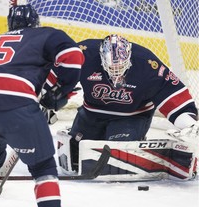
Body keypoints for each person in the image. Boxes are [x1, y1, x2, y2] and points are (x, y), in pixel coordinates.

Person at [0, 4, 84, 207]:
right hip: (17, 106)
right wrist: (61, 91)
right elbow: (73, 56)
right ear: (35, 22)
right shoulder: (46, 34)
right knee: (43, 167)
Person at [66, 34, 198, 172]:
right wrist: (49, 96)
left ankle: (134, 137)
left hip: (131, 117)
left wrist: (188, 122)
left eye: (121, 67)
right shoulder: (84, 54)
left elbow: (171, 91)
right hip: (92, 113)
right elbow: (56, 71)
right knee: (75, 152)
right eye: (111, 68)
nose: (116, 73)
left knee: (117, 156)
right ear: (101, 58)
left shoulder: (146, 63)